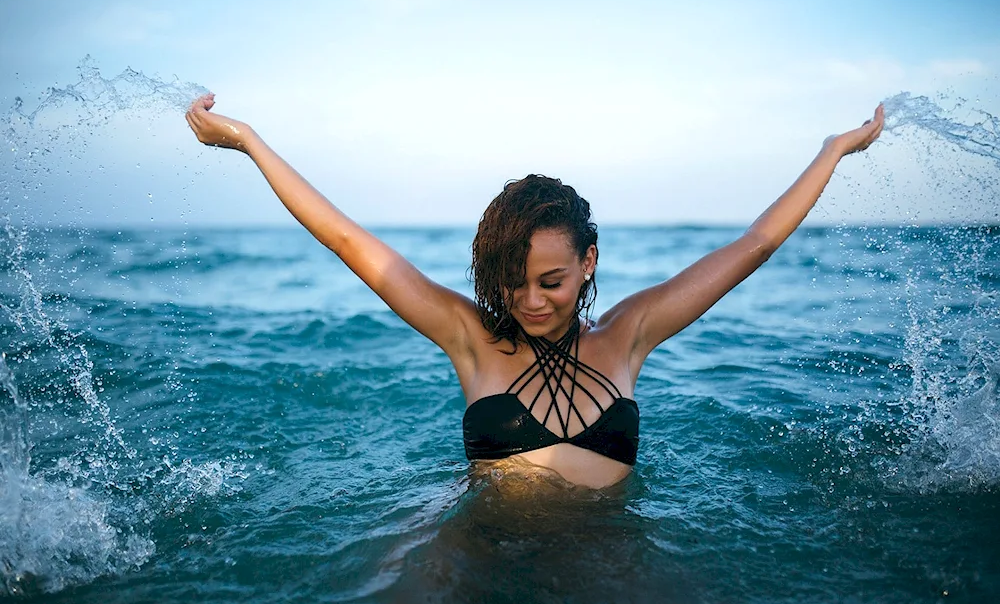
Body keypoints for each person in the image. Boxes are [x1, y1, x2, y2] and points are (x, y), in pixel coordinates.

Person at [186, 95, 884, 489]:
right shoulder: (472, 339)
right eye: (511, 282)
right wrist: (249, 141)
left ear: (589, 261)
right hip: (483, 559)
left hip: (608, 565)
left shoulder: (628, 334)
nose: (530, 301)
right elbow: (347, 240)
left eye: (550, 281)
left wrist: (830, 152)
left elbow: (752, 247)